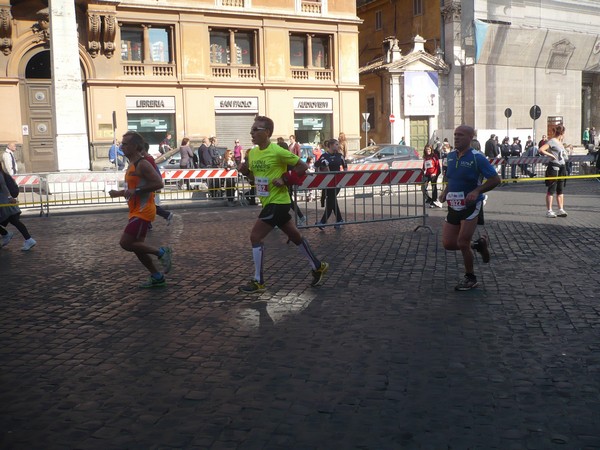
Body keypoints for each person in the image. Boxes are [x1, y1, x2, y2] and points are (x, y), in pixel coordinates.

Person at [237, 115, 328, 293]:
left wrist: (285, 178)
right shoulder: (253, 153)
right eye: (252, 129)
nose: (252, 132)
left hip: (278, 202)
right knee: (295, 237)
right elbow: (253, 179)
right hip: (268, 202)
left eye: (256, 129)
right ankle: (318, 266)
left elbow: (302, 167)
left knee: (255, 237)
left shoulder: (278, 151)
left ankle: (258, 281)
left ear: (267, 133)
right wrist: (246, 171)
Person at [439, 125, 501, 291]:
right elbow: (451, 178)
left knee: (462, 241)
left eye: (460, 135)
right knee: (448, 243)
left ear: (470, 138)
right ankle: (478, 245)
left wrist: (477, 191)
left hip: (471, 205)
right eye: (455, 134)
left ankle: (470, 277)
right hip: (453, 204)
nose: (456, 137)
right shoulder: (450, 156)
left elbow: (496, 179)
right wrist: (445, 192)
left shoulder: (477, 158)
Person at [108, 131, 173, 288]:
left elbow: (158, 184)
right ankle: (157, 277)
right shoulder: (131, 164)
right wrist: (118, 193)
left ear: (135, 146)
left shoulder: (142, 163)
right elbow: (133, 189)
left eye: (125, 144)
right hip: (135, 210)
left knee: (126, 243)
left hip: (144, 211)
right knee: (138, 248)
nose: (121, 146)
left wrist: (136, 191)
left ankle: (162, 253)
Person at [0, 165, 36, 251]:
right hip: (4, 201)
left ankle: (27, 239)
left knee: (14, 221)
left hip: (4, 202)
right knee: (15, 221)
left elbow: (3, 186)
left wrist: (9, 197)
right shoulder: (2, 173)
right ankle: (28, 239)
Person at [316, 138, 347, 229]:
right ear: (331, 146)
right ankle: (339, 220)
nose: (338, 146)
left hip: (337, 181)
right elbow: (316, 166)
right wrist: (321, 169)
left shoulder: (340, 155)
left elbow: (345, 166)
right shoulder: (324, 156)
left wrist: (344, 176)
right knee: (332, 200)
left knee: (331, 200)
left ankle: (323, 222)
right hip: (327, 182)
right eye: (336, 144)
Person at [538, 124, 568, 218]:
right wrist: (550, 155)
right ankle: (549, 210)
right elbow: (541, 150)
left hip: (562, 166)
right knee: (552, 188)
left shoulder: (560, 142)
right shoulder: (552, 141)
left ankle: (560, 209)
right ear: (562, 132)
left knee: (560, 189)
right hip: (554, 166)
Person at [141, 142, 174, 226]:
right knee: (148, 205)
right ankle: (149, 223)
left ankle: (149, 222)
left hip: (149, 185)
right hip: (149, 185)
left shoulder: (147, 159)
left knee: (147, 205)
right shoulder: (148, 158)